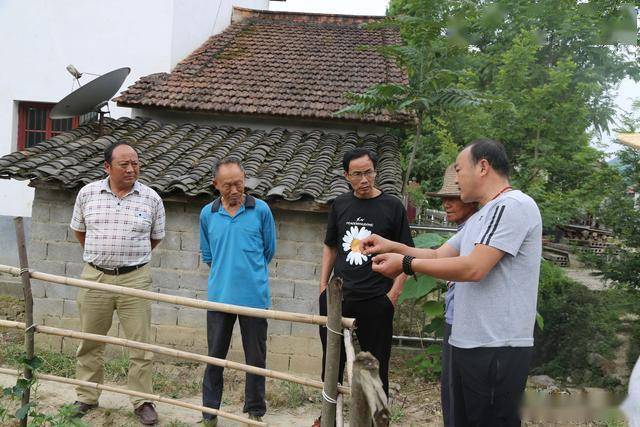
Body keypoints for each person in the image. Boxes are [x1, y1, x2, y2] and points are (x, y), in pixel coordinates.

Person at [362, 139, 542, 426]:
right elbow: (436, 254)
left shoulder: (513, 206)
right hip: (467, 342)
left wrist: (405, 264)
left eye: (459, 169)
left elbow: (474, 268)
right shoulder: (481, 216)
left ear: (483, 166)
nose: (456, 179)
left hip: (496, 347)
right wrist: (390, 246)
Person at [312, 148, 414, 427]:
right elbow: (331, 245)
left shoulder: (392, 206)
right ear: (347, 176)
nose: (364, 179)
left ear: (375, 171)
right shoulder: (340, 205)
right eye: (357, 174)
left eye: (368, 172)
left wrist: (393, 295)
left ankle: (376, 420)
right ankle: (328, 416)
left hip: (376, 300)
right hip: (338, 298)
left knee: (376, 364)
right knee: (331, 363)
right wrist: (323, 286)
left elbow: (409, 254)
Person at [69, 141, 165, 425]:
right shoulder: (88, 194)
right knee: (90, 340)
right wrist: (102, 257)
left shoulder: (151, 198)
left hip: (135, 277)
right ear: (107, 167)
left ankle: (142, 401)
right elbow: (79, 231)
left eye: (135, 163)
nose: (131, 168)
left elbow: (155, 238)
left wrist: (127, 258)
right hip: (95, 276)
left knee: (140, 343)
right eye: (124, 164)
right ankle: (86, 396)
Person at [199, 158, 276, 426]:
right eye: (228, 185)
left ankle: (255, 412)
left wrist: (248, 272)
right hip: (219, 298)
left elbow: (269, 250)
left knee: (255, 359)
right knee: (214, 358)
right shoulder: (207, 213)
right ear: (216, 185)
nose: (234, 190)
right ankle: (210, 414)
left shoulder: (262, 210)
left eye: (239, 184)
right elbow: (208, 254)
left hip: (254, 298)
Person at [425, 164, 477, 426]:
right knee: (452, 399)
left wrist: (405, 263)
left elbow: (455, 264)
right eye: (444, 198)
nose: (446, 203)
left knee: (461, 402)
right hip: (455, 320)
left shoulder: (478, 229)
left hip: (468, 327)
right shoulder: (465, 230)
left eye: (453, 197)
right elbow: (436, 256)